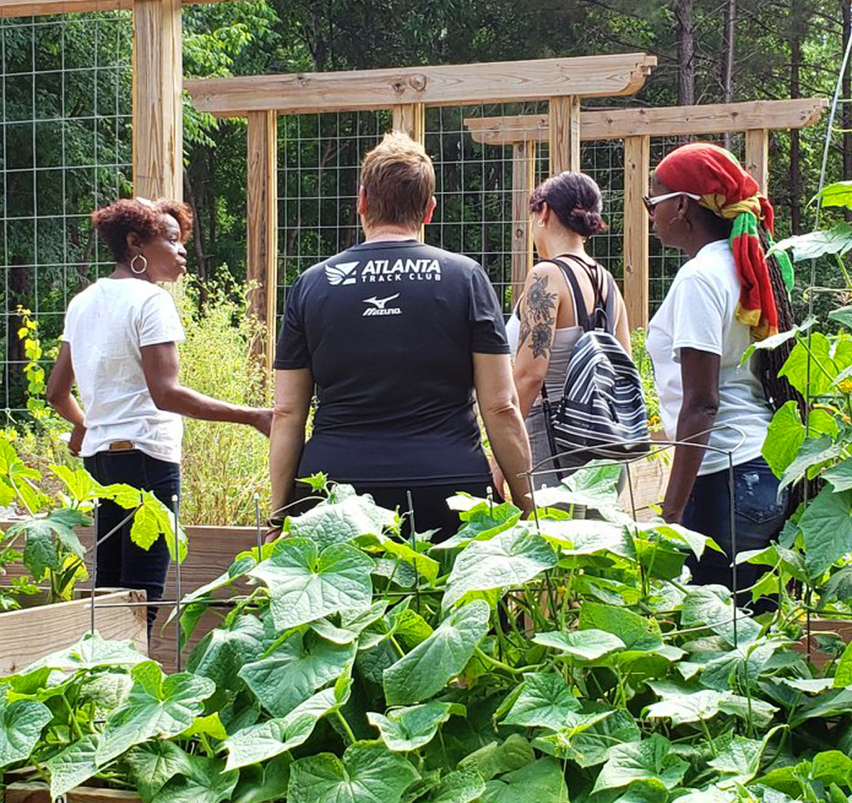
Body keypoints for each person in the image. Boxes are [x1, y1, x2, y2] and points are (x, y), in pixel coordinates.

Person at [268, 132, 534, 541]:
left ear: (361, 201)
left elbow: (287, 413)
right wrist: (526, 506)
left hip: (338, 492)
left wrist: (279, 515)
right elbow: (500, 406)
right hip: (448, 486)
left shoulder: (312, 284)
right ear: (429, 209)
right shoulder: (465, 278)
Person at [47, 197, 271, 621]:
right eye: (170, 239)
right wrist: (254, 416)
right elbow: (165, 394)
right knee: (142, 599)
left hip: (100, 463)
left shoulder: (83, 302)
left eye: (181, 239)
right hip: (148, 458)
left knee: (109, 591)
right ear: (135, 243)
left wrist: (83, 424)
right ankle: (133, 685)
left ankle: (98, 680)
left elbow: (57, 392)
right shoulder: (151, 302)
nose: (181, 249)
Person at [644, 143, 802, 599]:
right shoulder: (747, 267)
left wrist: (671, 514)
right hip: (763, 471)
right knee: (759, 637)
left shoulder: (699, 278)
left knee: (715, 639)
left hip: (722, 483)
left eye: (652, 203)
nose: (650, 215)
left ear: (681, 207)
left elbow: (701, 404)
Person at [505, 172, 632, 489]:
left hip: (551, 444)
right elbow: (625, 366)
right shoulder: (607, 282)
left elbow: (530, 375)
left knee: (548, 537)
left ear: (543, 211)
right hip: (604, 446)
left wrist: (504, 452)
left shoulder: (546, 275)